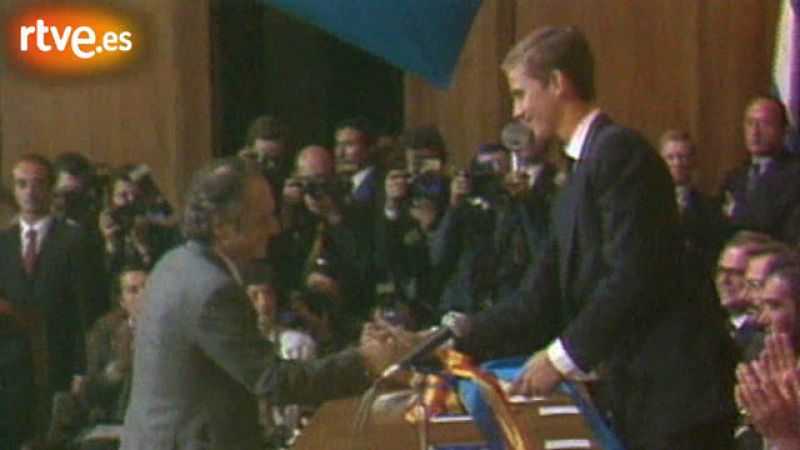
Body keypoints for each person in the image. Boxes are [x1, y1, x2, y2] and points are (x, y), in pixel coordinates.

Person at [451, 26, 735, 449]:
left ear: (557, 83)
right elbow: (537, 297)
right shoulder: (577, 174)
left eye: (520, 94)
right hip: (639, 402)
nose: (517, 111)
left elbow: (634, 276)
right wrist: (455, 335)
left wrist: (558, 358)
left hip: (677, 404)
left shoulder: (620, 152)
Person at [121, 157, 409, 450]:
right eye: (262, 219)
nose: (275, 228)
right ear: (220, 225)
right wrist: (366, 361)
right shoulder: (212, 290)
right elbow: (272, 381)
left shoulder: (174, 263)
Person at [0, 154, 107, 446]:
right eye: (22, 184)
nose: (30, 192)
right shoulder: (4, 243)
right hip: (11, 372)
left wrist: (82, 369)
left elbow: (89, 312)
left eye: (37, 184)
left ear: (50, 190)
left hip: (60, 365)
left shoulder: (76, 241)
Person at [720, 96, 800, 242]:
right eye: (750, 123)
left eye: (765, 124)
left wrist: (739, 212)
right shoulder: (735, 177)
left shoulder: (794, 175)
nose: (755, 132)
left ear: (784, 131)